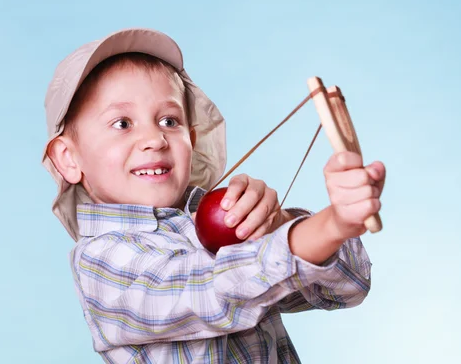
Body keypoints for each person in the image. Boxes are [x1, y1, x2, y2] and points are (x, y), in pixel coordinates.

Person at [41, 27, 386, 363]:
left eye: (169, 121)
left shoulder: (206, 218)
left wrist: (280, 224)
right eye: (122, 124)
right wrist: (328, 227)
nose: (155, 139)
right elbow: (211, 289)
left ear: (191, 138)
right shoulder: (101, 259)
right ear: (68, 158)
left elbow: (347, 287)